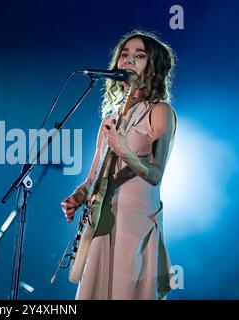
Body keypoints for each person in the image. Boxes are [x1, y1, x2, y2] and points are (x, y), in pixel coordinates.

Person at [61, 30, 177, 300]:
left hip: (136, 228)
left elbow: (155, 174)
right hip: (103, 223)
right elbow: (93, 179)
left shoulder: (160, 112)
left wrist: (125, 151)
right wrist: (77, 197)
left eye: (139, 56)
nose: (128, 61)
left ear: (154, 66)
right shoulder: (110, 118)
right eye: (124, 55)